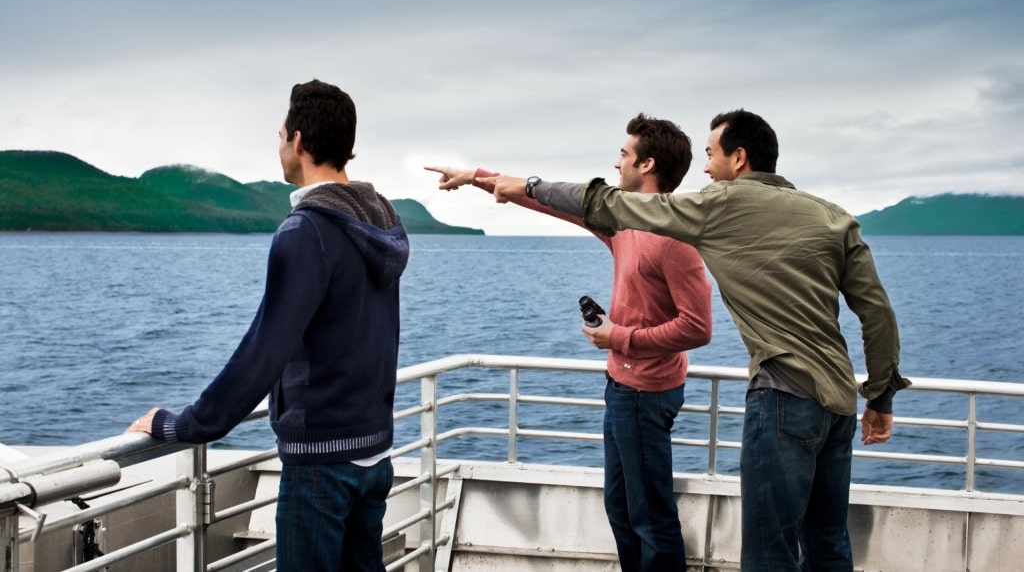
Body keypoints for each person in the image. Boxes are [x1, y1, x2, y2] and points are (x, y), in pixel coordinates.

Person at [481, 109, 909, 572]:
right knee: (828, 544)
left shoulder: (718, 205)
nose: (705, 168)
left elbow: (606, 205)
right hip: (840, 404)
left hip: (783, 397)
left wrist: (527, 184)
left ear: (739, 158)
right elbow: (877, 313)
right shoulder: (833, 217)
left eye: (711, 155)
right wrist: (880, 396)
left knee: (770, 551)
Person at [127, 79, 411, 571]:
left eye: (281, 136)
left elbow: (264, 349)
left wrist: (186, 425)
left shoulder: (306, 232)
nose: (280, 147)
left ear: (298, 141)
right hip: (373, 451)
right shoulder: (379, 223)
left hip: (321, 461)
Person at [426, 113, 713, 572]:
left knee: (650, 517)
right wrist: (479, 179)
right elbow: (555, 203)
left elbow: (698, 327)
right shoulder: (623, 221)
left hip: (648, 395)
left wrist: (619, 336)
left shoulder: (675, 240)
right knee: (621, 509)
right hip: (620, 388)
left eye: (624, 154)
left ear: (647, 165)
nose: (616, 162)